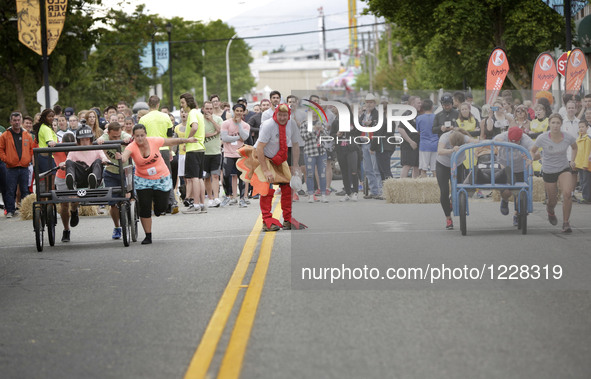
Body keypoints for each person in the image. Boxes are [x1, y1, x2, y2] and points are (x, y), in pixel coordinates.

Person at [117, 124, 197, 244]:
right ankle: (148, 236)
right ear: (133, 136)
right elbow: (125, 157)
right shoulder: (132, 146)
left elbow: (172, 141)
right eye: (137, 136)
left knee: (162, 207)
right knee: (145, 207)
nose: (140, 138)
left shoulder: (154, 141)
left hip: (161, 177)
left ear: (146, 135)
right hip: (143, 179)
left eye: (142, 135)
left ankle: (159, 208)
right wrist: (121, 157)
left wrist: (187, 140)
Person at [236, 103, 306, 231]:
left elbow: (296, 145)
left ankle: (287, 219)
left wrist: (295, 165)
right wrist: (266, 170)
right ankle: (267, 220)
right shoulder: (268, 125)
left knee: (287, 187)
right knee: (265, 188)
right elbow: (260, 148)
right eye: (280, 115)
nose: (282, 118)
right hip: (263, 157)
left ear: (288, 115)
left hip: (280, 158)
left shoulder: (292, 124)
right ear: (276, 113)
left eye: (285, 115)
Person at [530, 114, 578, 233]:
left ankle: (566, 223)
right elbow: (532, 150)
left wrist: (572, 160)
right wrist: (530, 159)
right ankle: (550, 210)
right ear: (549, 124)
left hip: (563, 168)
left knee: (567, 193)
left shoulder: (568, 137)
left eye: (558, 123)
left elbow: (575, 147)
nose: (555, 125)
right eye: (553, 123)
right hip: (549, 170)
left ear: (561, 124)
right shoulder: (542, 138)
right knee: (552, 200)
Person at [140, 95, 177, 214]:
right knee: (166, 176)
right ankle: (171, 203)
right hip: (164, 148)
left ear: (148, 104)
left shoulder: (143, 119)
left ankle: (155, 205)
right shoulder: (165, 117)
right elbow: (170, 135)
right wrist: (171, 150)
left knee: (151, 176)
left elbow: (142, 137)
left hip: (150, 150)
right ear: (158, 104)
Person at [97, 122, 132, 239]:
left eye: (118, 136)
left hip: (126, 170)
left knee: (129, 195)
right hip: (111, 172)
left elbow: (128, 136)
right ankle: (117, 227)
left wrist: (127, 138)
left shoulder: (123, 134)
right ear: (108, 133)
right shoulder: (105, 136)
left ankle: (129, 212)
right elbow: (100, 138)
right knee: (113, 203)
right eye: (114, 137)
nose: (117, 139)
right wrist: (100, 140)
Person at [494, 127, 535, 226]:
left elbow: (536, 153)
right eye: (511, 141)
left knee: (520, 193)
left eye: (516, 142)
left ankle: (517, 214)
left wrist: (530, 157)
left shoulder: (526, 140)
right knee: (507, 192)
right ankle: (505, 200)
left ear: (520, 139)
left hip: (521, 169)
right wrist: (498, 143)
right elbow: (492, 143)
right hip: (505, 168)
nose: (514, 143)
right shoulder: (502, 136)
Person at [436, 130, 476, 230]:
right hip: (443, 165)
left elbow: (475, 141)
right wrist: (452, 150)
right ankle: (448, 218)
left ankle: (453, 201)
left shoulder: (463, 137)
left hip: (458, 164)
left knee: (459, 189)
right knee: (444, 191)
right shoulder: (444, 137)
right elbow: (440, 151)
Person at [0, 112, 34, 218]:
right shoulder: (5, 135)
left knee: (25, 189)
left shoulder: (27, 135)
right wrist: (6, 160)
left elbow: (31, 150)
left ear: (21, 121)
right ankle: (10, 210)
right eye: (14, 120)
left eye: (18, 120)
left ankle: (24, 210)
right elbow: (1, 149)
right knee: (10, 190)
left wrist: (28, 160)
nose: (17, 122)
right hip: (11, 167)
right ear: (11, 121)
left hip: (24, 167)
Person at [180, 93, 206, 213]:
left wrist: (187, 139)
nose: (182, 106)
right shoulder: (199, 112)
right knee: (199, 178)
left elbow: (194, 127)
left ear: (188, 102)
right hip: (200, 147)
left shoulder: (192, 113)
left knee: (194, 177)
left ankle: (195, 204)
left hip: (193, 148)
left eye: (183, 103)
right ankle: (201, 203)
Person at [221, 103, 251, 207]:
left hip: (240, 154)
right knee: (225, 175)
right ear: (234, 111)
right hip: (228, 153)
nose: (238, 113)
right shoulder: (226, 123)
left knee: (241, 177)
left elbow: (245, 137)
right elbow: (224, 138)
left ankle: (242, 199)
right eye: (237, 110)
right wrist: (238, 138)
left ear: (243, 112)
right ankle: (227, 195)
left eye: (241, 111)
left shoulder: (246, 125)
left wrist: (239, 125)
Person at [63, 125, 110, 190]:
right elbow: (67, 161)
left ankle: (94, 183)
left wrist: (105, 160)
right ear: (78, 140)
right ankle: (71, 183)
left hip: (92, 174)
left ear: (91, 139)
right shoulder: (73, 150)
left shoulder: (97, 148)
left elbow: (104, 158)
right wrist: (63, 164)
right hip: (79, 178)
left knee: (98, 161)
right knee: (69, 162)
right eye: (82, 140)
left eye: (87, 139)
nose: (85, 142)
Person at [53, 133, 78, 242]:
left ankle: (74, 210)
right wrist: (51, 144)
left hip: (75, 177)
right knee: (63, 205)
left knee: (75, 199)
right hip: (61, 178)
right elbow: (45, 152)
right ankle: (66, 230)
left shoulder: (78, 149)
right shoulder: (58, 148)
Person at [300, 109, 329, 203]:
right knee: (310, 174)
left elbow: (327, 137)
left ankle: (324, 194)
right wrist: (313, 130)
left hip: (322, 152)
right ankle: (311, 194)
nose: (313, 112)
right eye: (311, 110)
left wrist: (322, 130)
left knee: (322, 174)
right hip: (310, 151)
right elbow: (304, 137)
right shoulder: (304, 123)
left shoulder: (322, 122)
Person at [335, 103, 361, 201]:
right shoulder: (336, 121)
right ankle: (347, 192)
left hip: (351, 149)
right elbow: (331, 134)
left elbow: (358, 132)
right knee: (344, 172)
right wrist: (337, 134)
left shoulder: (354, 121)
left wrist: (351, 133)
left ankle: (355, 192)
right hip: (341, 150)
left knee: (354, 170)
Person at [359, 93, 383, 199]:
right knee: (368, 169)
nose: (369, 104)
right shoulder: (363, 115)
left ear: (375, 103)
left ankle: (379, 191)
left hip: (373, 143)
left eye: (371, 102)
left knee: (376, 168)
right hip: (364, 143)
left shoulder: (377, 114)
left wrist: (373, 146)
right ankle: (373, 191)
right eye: (367, 102)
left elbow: (378, 129)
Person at [201, 101, 223, 208]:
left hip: (216, 152)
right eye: (207, 108)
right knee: (206, 177)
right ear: (203, 108)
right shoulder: (200, 120)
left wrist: (212, 120)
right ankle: (209, 198)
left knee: (215, 175)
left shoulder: (218, 119)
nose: (209, 111)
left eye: (210, 109)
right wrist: (214, 133)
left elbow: (220, 130)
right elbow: (201, 135)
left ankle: (216, 197)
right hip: (204, 153)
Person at [32, 109, 58, 191]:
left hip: (44, 157)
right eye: (49, 116)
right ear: (44, 117)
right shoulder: (46, 128)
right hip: (47, 157)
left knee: (46, 184)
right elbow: (50, 142)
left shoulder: (44, 127)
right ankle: (49, 203)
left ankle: (45, 202)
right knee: (50, 185)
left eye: (52, 116)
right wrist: (52, 142)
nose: (51, 118)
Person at [399, 96, 421, 179]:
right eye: (418, 103)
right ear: (412, 104)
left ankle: (414, 188)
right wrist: (411, 142)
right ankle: (402, 188)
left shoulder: (418, 115)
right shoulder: (407, 114)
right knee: (407, 166)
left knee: (416, 166)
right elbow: (400, 129)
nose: (420, 104)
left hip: (417, 145)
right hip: (408, 146)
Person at [416, 100, 438, 177]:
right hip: (435, 144)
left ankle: (425, 187)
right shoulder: (436, 117)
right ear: (432, 107)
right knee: (434, 169)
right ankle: (436, 186)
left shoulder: (419, 118)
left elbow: (418, 131)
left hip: (424, 145)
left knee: (423, 169)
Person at [574, 120, 591, 203]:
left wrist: (585, 164)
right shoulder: (578, 138)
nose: (581, 129)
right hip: (579, 164)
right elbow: (578, 152)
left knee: (586, 182)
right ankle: (586, 196)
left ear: (587, 128)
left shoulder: (587, 139)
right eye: (579, 127)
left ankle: (586, 198)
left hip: (585, 165)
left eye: (583, 127)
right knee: (582, 181)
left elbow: (587, 152)